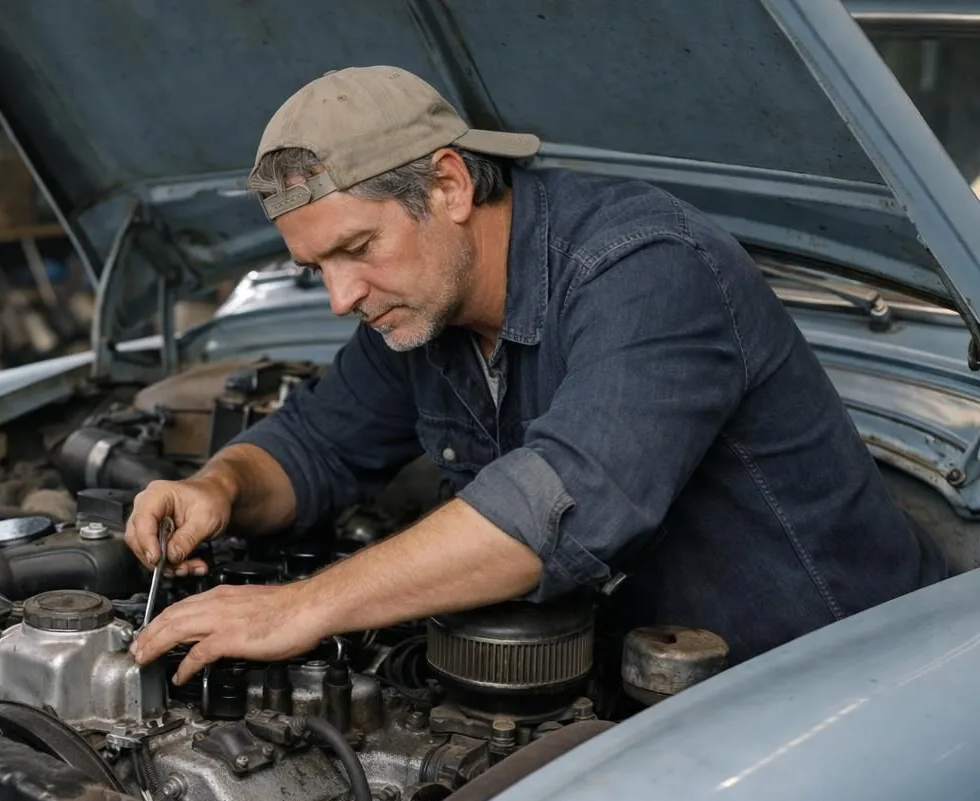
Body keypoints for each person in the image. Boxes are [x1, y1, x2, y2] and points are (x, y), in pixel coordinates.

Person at [125, 65, 945, 686]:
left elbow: (554, 510)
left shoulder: (647, 269)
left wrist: (302, 607)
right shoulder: (420, 306)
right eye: (317, 268)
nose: (342, 297)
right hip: (643, 693)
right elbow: (315, 446)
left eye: (357, 248)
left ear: (449, 185)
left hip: (846, 685)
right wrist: (219, 486)